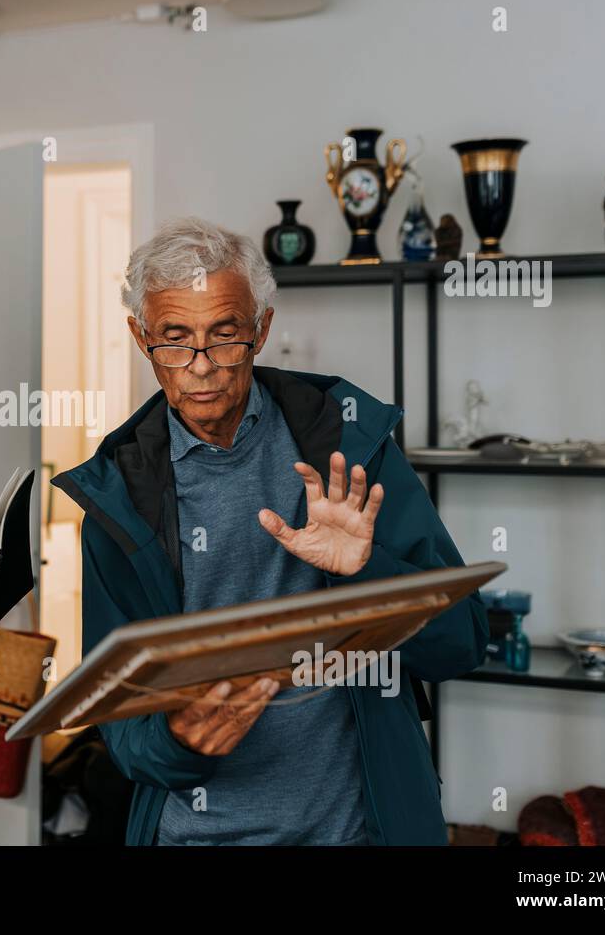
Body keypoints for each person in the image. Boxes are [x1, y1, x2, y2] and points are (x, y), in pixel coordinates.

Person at [51, 217, 487, 845]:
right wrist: (177, 741)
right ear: (139, 338)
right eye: (174, 340)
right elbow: (123, 728)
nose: (201, 367)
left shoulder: (350, 447)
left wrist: (368, 570)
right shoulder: (116, 498)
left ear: (261, 330)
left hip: (355, 833)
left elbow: (460, 645)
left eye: (224, 336)